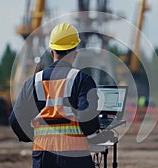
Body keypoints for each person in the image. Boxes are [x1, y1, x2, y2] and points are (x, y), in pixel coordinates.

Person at [9, 23, 100, 168]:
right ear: (75, 54)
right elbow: (87, 118)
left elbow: (15, 120)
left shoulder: (33, 82)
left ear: (52, 52)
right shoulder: (82, 80)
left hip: (43, 154)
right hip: (74, 154)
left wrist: (35, 137)